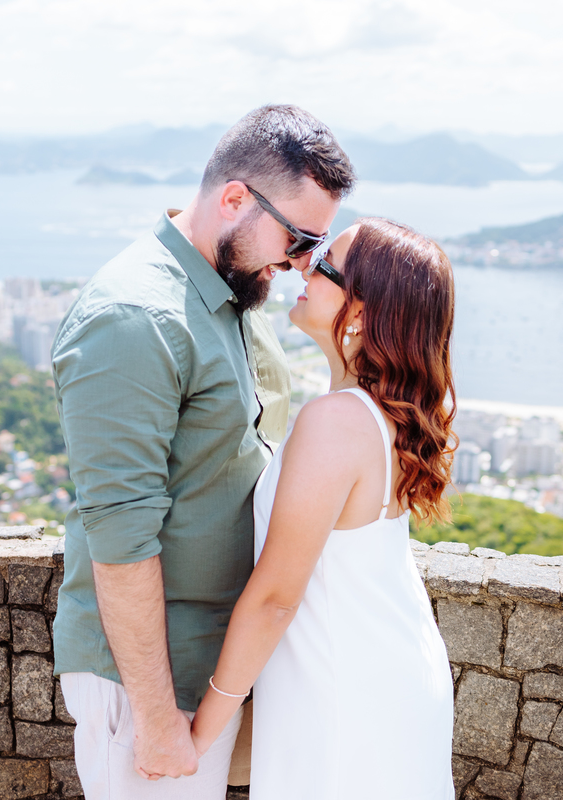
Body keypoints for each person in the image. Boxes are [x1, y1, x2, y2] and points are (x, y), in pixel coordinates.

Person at [50, 105, 356, 799]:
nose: (300, 259)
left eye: (316, 244)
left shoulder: (228, 295)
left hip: (211, 664)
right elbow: (121, 533)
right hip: (152, 678)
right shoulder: (136, 318)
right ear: (235, 199)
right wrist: (156, 717)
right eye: (298, 236)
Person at [188, 218, 458, 799]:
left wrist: (202, 731)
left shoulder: (337, 421)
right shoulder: (379, 415)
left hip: (350, 695)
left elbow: (276, 598)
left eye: (325, 263)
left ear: (361, 311)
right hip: (382, 674)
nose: (303, 266)